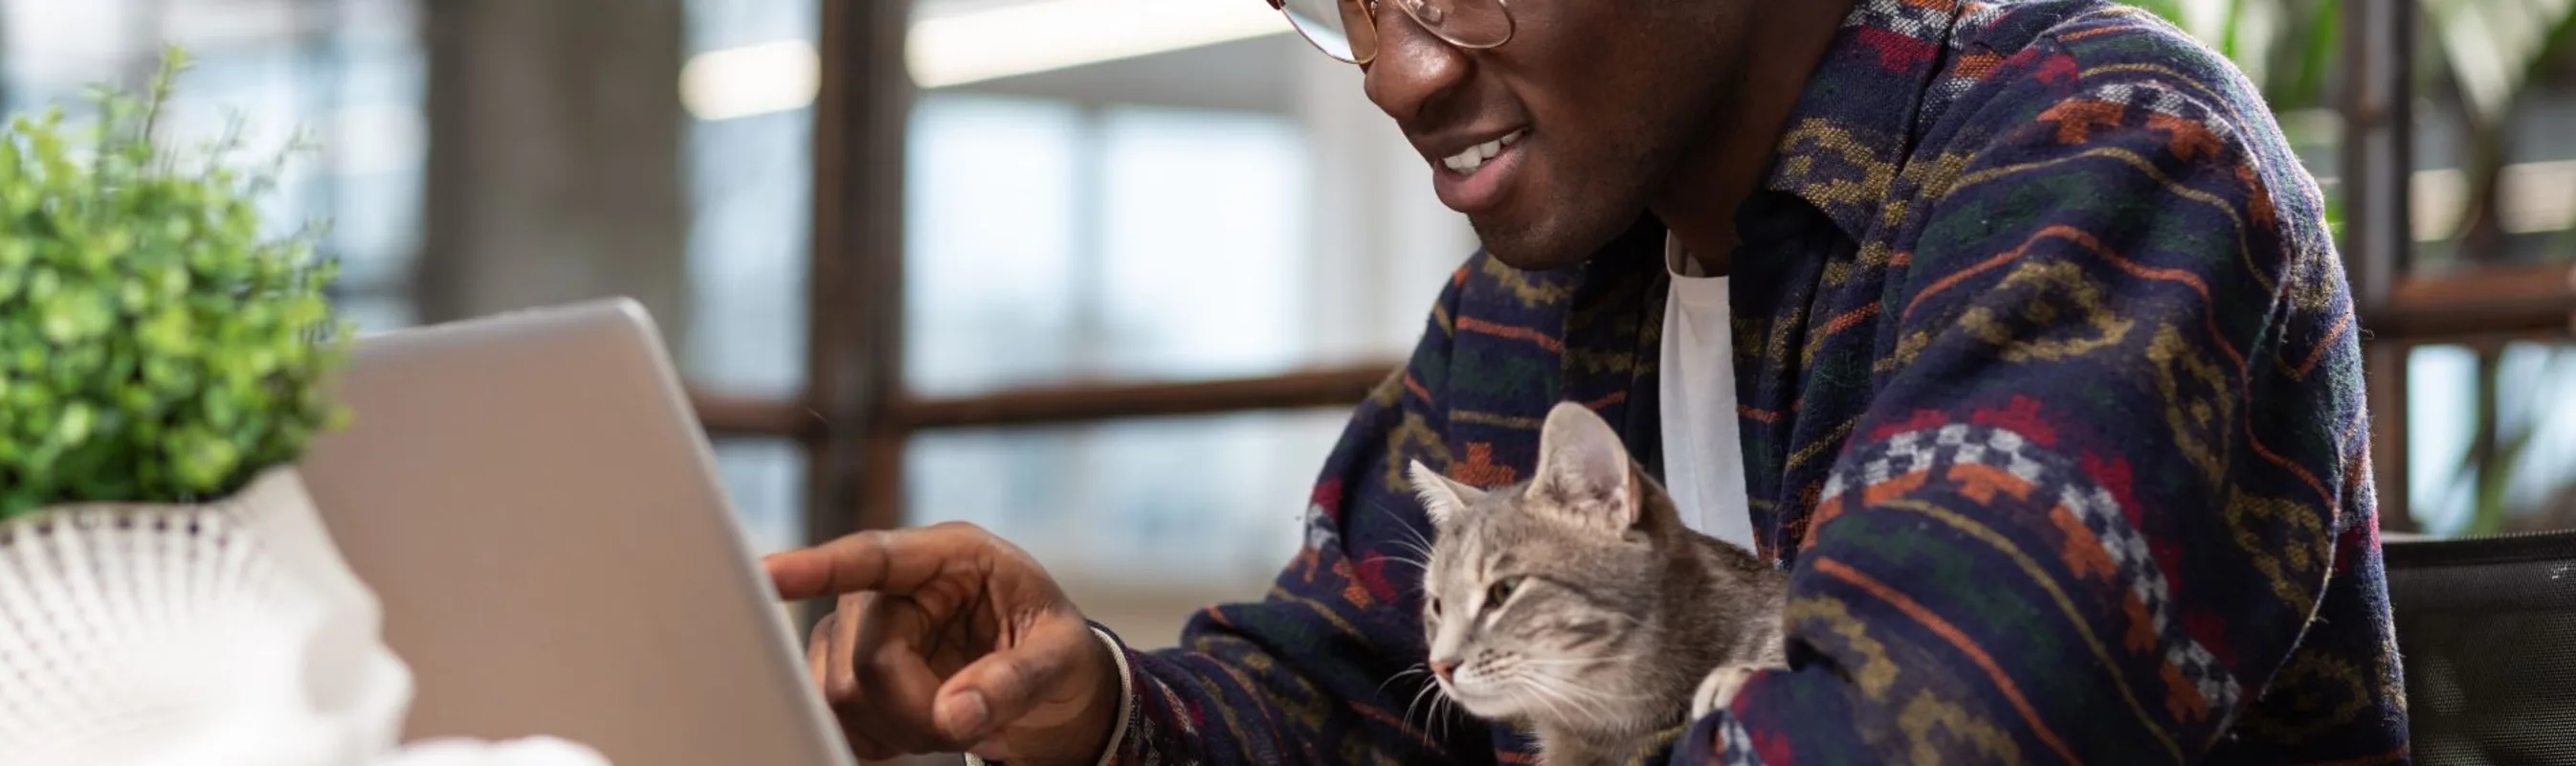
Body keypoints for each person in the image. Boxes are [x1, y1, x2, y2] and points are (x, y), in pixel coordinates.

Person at [762, 0, 2409, 760]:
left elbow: (1897, 734)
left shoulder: (2103, 157)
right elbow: (1342, 689)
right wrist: (1106, 711)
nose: (1400, 68)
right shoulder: (1525, 311)